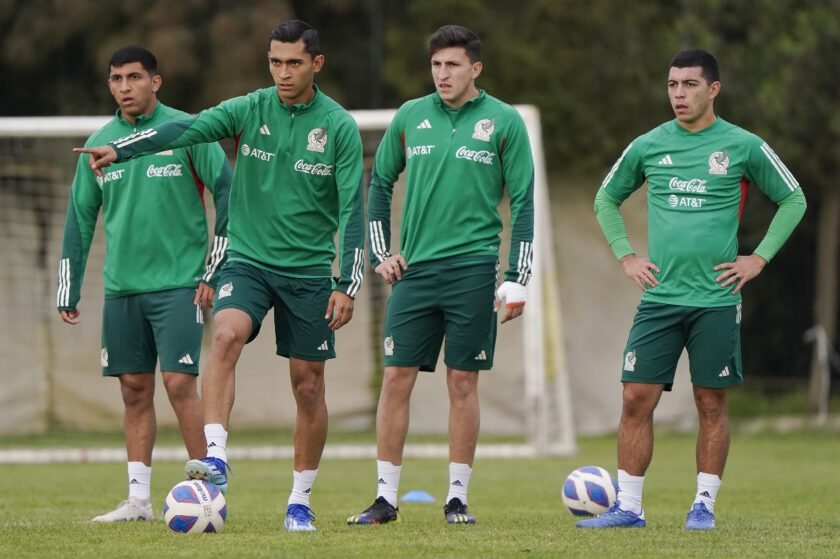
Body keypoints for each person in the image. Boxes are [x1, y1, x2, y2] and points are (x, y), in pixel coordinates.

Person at [75, 20, 365, 532]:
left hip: (310, 271)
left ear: (316, 64)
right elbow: (184, 129)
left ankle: (299, 500)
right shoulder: (249, 108)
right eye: (275, 61)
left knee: (308, 387)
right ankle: (215, 454)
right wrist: (123, 149)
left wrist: (348, 282)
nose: (282, 72)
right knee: (227, 333)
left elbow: (353, 211)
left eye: (293, 63)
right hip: (248, 261)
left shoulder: (337, 126)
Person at [577, 48, 806, 530]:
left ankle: (702, 505)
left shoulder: (743, 145)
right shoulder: (649, 145)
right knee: (635, 397)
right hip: (659, 299)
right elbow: (606, 198)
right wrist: (626, 255)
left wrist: (758, 258)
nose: (678, 94)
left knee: (711, 402)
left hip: (717, 300)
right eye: (672, 85)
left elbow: (793, 198)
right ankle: (629, 509)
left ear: (713, 89)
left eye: (689, 85)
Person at [346, 25, 534, 526]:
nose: (442, 74)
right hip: (415, 272)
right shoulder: (411, 116)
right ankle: (385, 498)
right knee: (395, 379)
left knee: (461, 382)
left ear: (476, 68)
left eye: (452, 65)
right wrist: (381, 253)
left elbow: (524, 202)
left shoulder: (503, 122)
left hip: (474, 269)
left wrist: (518, 275)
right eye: (436, 65)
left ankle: (457, 498)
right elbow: (379, 183)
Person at [57, 45, 232, 522]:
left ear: (156, 81)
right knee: (134, 389)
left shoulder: (189, 131)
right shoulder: (98, 143)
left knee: (179, 383)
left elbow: (227, 191)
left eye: (135, 77)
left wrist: (214, 268)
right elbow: (79, 218)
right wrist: (67, 286)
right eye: (116, 79)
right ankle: (138, 501)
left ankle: (208, 496)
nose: (125, 87)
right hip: (122, 288)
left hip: (180, 283)